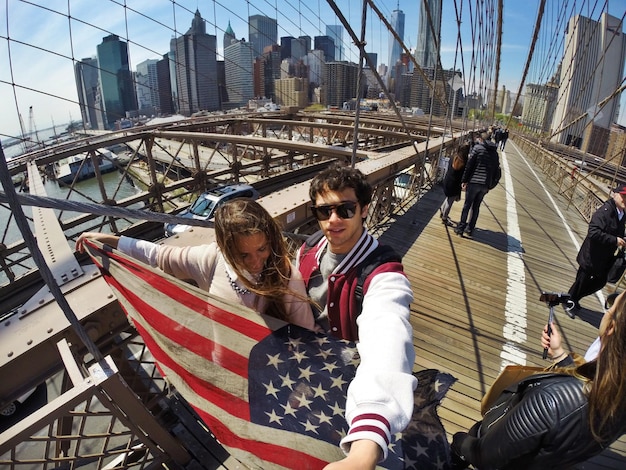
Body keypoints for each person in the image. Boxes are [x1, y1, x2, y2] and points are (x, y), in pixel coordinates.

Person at [296, 163, 416, 470]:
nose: (333, 220)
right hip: (306, 368)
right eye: (324, 211)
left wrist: (365, 450)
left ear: (364, 209)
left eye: (345, 209)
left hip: (350, 379)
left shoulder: (383, 274)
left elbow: (387, 334)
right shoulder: (308, 250)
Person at [76, 198, 316, 330]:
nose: (255, 262)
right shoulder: (210, 259)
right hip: (228, 374)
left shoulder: (287, 278)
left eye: (262, 249)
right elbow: (156, 255)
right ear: (225, 248)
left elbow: (305, 339)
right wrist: (109, 241)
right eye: (243, 255)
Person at [450, 290, 626, 470]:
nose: (607, 310)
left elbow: (484, 456)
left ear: (611, 328)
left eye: (611, 307)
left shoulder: (550, 400)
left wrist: (459, 441)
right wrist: (560, 356)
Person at [563, 185, 626, 318]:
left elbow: (615, 232)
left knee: (600, 282)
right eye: (623, 196)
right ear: (615, 194)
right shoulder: (605, 210)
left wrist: (621, 239)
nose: (625, 200)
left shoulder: (622, 214)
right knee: (582, 280)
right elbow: (593, 231)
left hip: (604, 258)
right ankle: (569, 301)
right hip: (592, 255)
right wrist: (614, 240)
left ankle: (573, 298)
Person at [454, 132, 500, 238]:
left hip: (474, 182)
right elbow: (495, 171)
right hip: (485, 185)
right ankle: (470, 229)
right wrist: (490, 185)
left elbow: (469, 166)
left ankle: (460, 228)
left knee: (467, 206)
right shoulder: (495, 154)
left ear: (482, 140)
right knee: (476, 207)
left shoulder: (477, 149)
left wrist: (464, 181)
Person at [440, 142, 471, 226]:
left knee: (448, 198)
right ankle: (444, 218)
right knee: (450, 202)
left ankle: (442, 212)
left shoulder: (453, 157)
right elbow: (463, 175)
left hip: (447, 181)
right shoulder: (464, 162)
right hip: (455, 184)